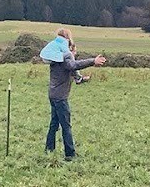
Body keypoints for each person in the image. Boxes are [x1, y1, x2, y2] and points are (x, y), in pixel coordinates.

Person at [45, 29, 105, 160]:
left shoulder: (55, 56)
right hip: (60, 97)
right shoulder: (66, 57)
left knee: (54, 124)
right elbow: (73, 65)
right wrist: (92, 61)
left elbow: (73, 73)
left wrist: (82, 79)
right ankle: (70, 155)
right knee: (66, 126)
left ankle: (49, 150)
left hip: (53, 94)